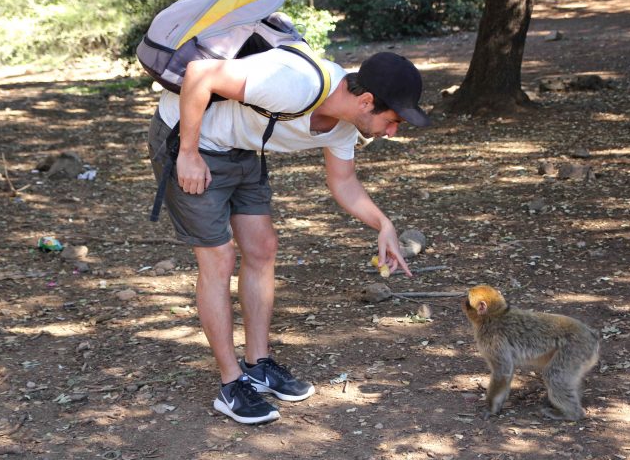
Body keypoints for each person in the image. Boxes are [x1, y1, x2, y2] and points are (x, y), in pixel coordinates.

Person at [147, 49, 430, 425]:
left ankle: (258, 365)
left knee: (263, 247)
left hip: (242, 146)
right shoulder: (295, 82)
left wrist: (384, 225)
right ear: (366, 101)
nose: (392, 132)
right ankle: (232, 386)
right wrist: (187, 153)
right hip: (190, 137)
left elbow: (344, 182)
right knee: (219, 258)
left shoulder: (346, 124)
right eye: (393, 121)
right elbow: (200, 74)